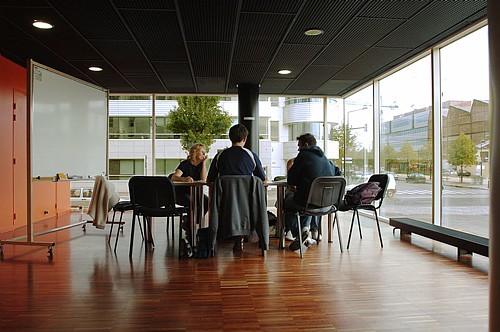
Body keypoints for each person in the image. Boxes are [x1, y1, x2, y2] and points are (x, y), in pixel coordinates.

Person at [207, 123, 266, 250]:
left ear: (230, 138)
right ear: (245, 139)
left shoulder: (220, 156)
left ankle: (222, 239)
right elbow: (261, 178)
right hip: (249, 204)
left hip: (225, 203)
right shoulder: (251, 155)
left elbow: (210, 180)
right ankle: (250, 236)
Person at [285, 133, 341, 251]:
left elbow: (291, 179)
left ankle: (298, 233)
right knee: (309, 197)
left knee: (287, 198)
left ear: (305, 145)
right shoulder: (325, 159)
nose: (298, 148)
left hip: (308, 203)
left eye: (299, 145)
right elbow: (339, 175)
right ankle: (306, 230)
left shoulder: (303, 155)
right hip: (328, 205)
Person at [171, 143, 209, 247]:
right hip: (182, 193)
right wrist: (184, 178)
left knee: (206, 201)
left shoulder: (202, 165)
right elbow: (174, 177)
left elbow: (203, 179)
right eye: (202, 152)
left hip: (195, 192)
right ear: (196, 153)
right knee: (190, 201)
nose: (204, 154)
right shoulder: (185, 164)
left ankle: (190, 222)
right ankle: (190, 225)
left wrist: (204, 163)